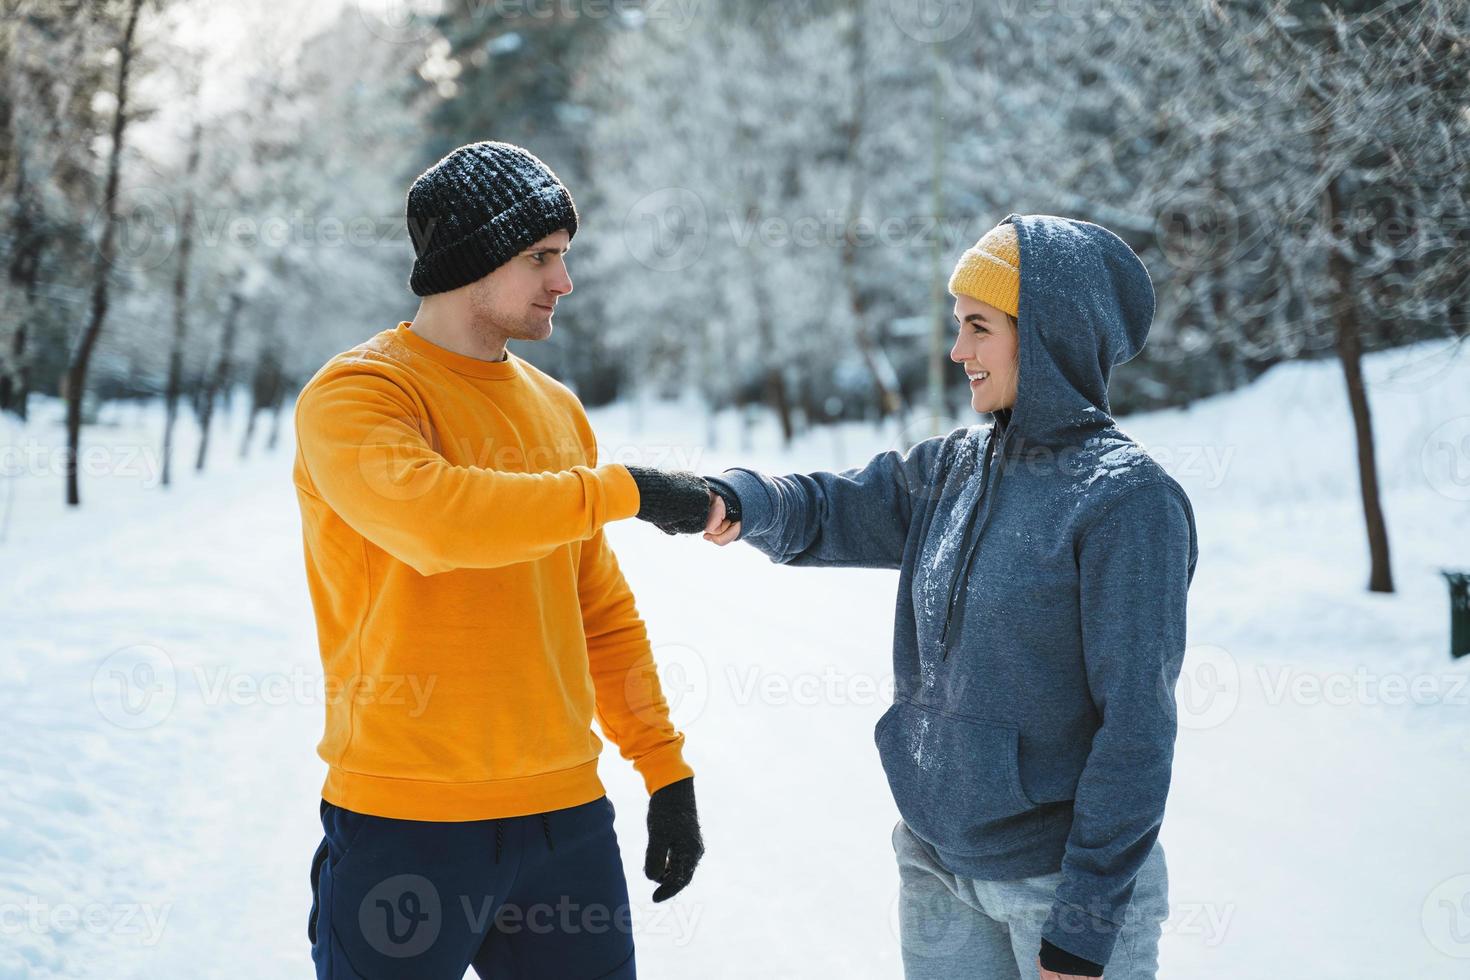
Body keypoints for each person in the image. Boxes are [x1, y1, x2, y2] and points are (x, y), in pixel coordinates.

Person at [698, 214, 1199, 980]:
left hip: (1057, 891)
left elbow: (1136, 730)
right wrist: (729, 498)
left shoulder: (1126, 502)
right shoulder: (953, 468)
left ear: (1049, 335)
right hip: (934, 863)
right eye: (956, 326)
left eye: (978, 327)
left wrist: (1086, 923)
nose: (957, 350)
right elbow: (830, 509)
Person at [293, 140, 721, 979]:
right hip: (403, 825)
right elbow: (438, 521)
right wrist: (625, 489)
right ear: (470, 258)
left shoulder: (557, 408)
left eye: (564, 257)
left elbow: (597, 608)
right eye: (541, 257)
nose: (563, 282)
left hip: (565, 824)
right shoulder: (361, 394)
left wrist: (665, 770)